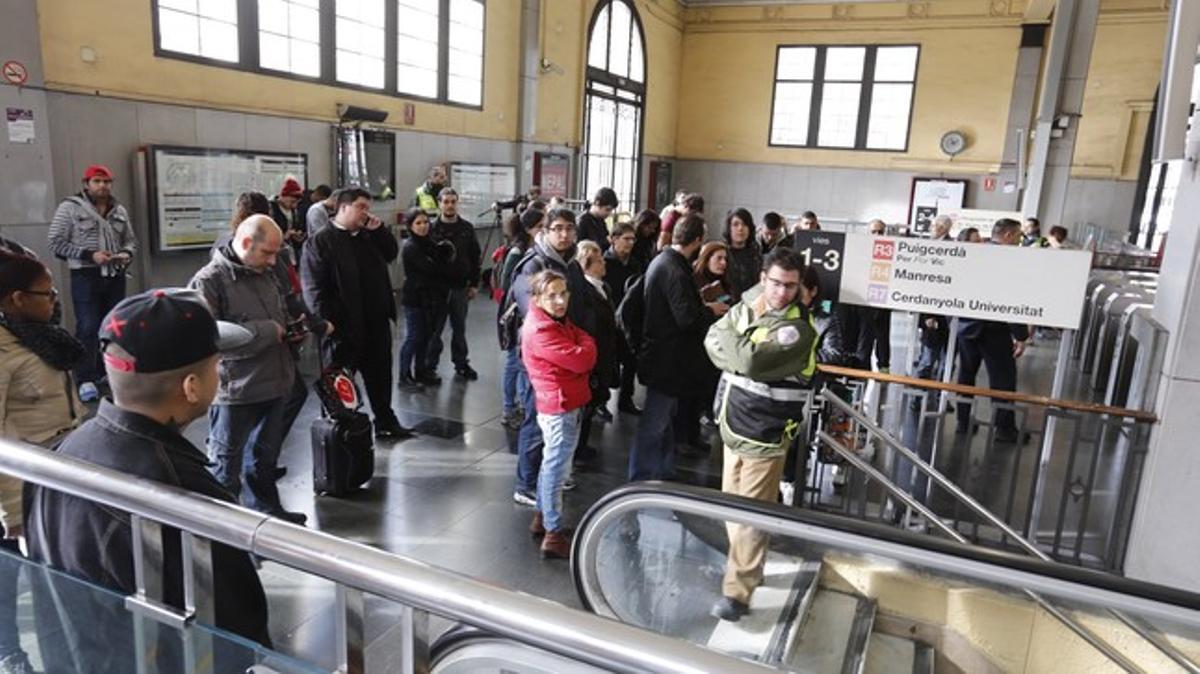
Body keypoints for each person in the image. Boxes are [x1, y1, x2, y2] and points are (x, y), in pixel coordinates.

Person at [24, 289, 272, 673]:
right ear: (191, 386)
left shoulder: (61, 455)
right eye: (216, 364)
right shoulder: (186, 499)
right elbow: (238, 636)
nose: (220, 370)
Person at [705, 247, 818, 621]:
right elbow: (712, 339)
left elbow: (750, 361)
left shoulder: (796, 330)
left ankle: (737, 592)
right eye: (775, 284)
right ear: (763, 278)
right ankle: (751, 568)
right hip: (734, 424)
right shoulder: (750, 304)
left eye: (790, 286)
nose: (782, 293)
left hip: (766, 434)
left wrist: (737, 346)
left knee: (751, 513)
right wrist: (739, 348)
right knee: (731, 509)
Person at [189, 215, 308, 524]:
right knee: (225, 466)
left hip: (276, 381)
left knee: (264, 459)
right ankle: (224, 532)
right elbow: (208, 336)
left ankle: (267, 514)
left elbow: (282, 311)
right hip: (237, 391)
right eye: (268, 253)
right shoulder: (209, 280)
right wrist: (269, 330)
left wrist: (294, 331)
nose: (273, 261)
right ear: (245, 244)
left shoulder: (266, 272)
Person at [0, 252, 82, 674]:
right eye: (45, 294)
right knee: (8, 574)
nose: (53, 300)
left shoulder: (40, 335)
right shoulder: (3, 349)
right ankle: (8, 650)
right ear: (16, 299)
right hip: (19, 489)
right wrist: (12, 510)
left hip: (57, 474)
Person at [301, 187, 413, 440]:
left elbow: (390, 254)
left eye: (368, 207)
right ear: (343, 207)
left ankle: (385, 420)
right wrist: (326, 322)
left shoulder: (367, 235)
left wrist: (379, 231)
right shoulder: (321, 241)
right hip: (343, 327)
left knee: (380, 375)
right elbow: (313, 288)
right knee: (341, 382)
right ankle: (341, 430)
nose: (366, 213)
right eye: (361, 207)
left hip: (375, 323)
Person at [629, 214, 726, 482]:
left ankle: (661, 469)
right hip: (667, 359)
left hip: (663, 356)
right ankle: (642, 475)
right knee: (655, 421)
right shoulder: (673, 268)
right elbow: (686, 317)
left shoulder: (663, 261)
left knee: (664, 420)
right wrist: (709, 309)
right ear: (698, 240)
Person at [48, 163, 138, 403]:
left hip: (114, 275)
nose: (102, 186)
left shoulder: (119, 210)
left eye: (106, 182)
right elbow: (55, 241)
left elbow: (130, 241)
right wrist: (90, 255)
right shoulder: (70, 208)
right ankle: (85, 377)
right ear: (86, 184)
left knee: (113, 326)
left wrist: (126, 254)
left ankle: (107, 371)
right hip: (85, 276)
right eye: (97, 181)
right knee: (88, 326)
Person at [521, 270, 596, 558]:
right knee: (556, 469)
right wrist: (586, 345)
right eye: (551, 295)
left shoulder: (552, 321)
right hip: (560, 406)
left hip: (562, 402)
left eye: (563, 293)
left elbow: (582, 337)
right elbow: (582, 359)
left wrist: (583, 341)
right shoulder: (542, 330)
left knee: (552, 464)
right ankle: (553, 533)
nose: (560, 300)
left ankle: (542, 517)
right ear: (538, 298)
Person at [507, 208, 578, 506]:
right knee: (535, 421)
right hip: (540, 359)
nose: (564, 234)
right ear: (544, 232)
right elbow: (535, 315)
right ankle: (526, 484)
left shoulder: (567, 262)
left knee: (553, 423)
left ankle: (550, 475)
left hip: (561, 355)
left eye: (569, 229)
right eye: (557, 228)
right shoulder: (534, 265)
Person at [955, 219, 1029, 443]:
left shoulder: (975, 255)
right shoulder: (1008, 260)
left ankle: (963, 422)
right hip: (994, 329)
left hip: (967, 326)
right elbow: (1009, 299)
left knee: (966, 375)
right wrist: (1021, 335)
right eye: (1017, 236)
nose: (1018, 241)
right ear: (1007, 235)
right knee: (1003, 379)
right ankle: (1004, 428)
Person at [424, 187, 482, 382]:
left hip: (460, 286)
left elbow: (475, 257)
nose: (449, 205)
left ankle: (461, 363)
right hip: (437, 288)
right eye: (445, 201)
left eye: (452, 201)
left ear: (457, 203)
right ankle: (429, 366)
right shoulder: (430, 229)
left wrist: (474, 283)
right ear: (439, 204)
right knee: (435, 329)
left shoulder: (466, 228)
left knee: (459, 328)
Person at [567, 241, 618, 461]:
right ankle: (577, 449)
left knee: (592, 402)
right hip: (592, 356)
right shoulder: (584, 292)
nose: (603, 263)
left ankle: (583, 445)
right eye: (598, 260)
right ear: (587, 265)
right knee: (584, 407)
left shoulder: (603, 287)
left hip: (604, 353)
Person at [497, 208, 546, 427]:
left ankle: (522, 406)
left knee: (521, 365)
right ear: (528, 229)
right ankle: (509, 408)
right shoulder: (519, 253)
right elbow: (508, 285)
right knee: (513, 363)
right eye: (540, 228)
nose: (543, 232)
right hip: (515, 318)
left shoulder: (537, 251)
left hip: (523, 317)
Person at [399, 208, 455, 390]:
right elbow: (432, 269)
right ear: (410, 226)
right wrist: (443, 265)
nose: (423, 226)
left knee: (425, 337)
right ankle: (404, 376)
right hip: (415, 298)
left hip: (432, 298)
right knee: (414, 337)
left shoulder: (430, 243)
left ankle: (421, 372)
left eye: (425, 222)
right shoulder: (411, 247)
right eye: (418, 223)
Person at [604, 222, 644, 414]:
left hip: (628, 318)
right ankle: (601, 403)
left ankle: (626, 399)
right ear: (614, 239)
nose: (630, 243)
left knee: (630, 361)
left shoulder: (635, 263)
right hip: (609, 316)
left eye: (633, 239)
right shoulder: (604, 262)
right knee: (607, 360)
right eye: (626, 239)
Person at [723, 209, 762, 302]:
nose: (740, 228)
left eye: (745, 224)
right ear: (729, 228)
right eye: (735, 224)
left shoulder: (756, 256)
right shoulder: (721, 254)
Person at [270, 177, 309, 263]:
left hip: (290, 251)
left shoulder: (294, 211)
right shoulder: (271, 209)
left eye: (296, 203)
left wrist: (297, 235)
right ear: (283, 196)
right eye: (292, 202)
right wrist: (285, 235)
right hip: (276, 251)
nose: (294, 205)